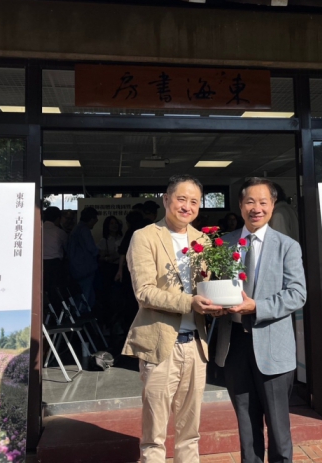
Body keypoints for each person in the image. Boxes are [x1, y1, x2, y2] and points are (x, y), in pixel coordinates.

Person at [122, 175, 222, 463]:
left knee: (190, 430)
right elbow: (144, 292)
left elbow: (205, 287)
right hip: (161, 345)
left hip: (196, 346)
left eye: (194, 201)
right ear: (166, 200)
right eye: (181, 199)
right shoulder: (145, 237)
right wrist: (189, 302)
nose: (187, 206)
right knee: (154, 434)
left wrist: (216, 303)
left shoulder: (203, 240)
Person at [214, 177, 307, 463]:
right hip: (235, 345)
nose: (256, 208)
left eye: (263, 202)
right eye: (250, 202)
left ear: (272, 205)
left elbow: (297, 294)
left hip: (272, 345)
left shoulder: (287, 246)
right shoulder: (224, 243)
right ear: (240, 205)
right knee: (246, 423)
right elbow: (215, 285)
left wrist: (258, 307)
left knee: (278, 426)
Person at [66, 206, 100, 311]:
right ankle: (83, 316)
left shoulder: (76, 229)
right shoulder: (84, 230)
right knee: (86, 295)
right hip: (85, 268)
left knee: (81, 294)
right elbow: (91, 248)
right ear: (91, 219)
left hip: (76, 268)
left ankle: (82, 313)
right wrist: (100, 253)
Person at [42, 206, 68, 296]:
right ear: (58, 218)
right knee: (56, 291)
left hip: (39, 263)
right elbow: (67, 248)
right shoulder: (60, 232)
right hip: (55, 265)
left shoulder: (37, 230)